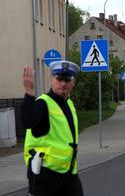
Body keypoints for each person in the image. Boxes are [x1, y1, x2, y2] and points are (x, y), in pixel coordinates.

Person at [21, 60, 84, 196]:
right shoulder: (42, 103)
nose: (63, 83)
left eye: (67, 80)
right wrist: (29, 92)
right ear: (52, 80)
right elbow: (27, 122)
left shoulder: (69, 104)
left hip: (69, 173)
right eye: (59, 79)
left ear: (73, 83)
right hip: (45, 175)